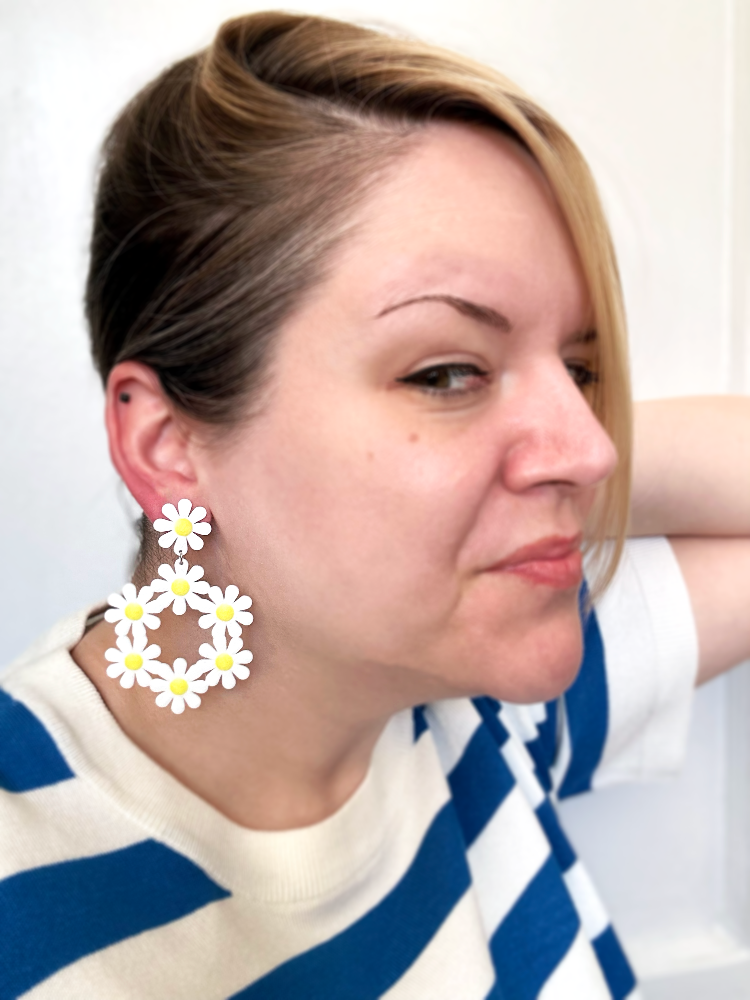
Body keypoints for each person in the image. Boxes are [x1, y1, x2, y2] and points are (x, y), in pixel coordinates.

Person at [1, 11, 749, 999]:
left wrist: (528, 464)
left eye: (577, 367)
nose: (596, 444)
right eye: (446, 372)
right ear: (168, 447)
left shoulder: (475, 702)